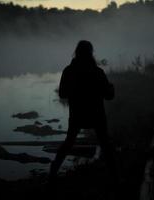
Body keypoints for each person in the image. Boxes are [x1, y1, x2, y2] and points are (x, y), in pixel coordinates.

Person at [49, 40, 117, 182]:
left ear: (76, 52)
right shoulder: (98, 72)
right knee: (105, 143)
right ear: (91, 53)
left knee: (68, 142)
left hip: (77, 115)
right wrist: (111, 88)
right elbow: (109, 96)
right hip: (96, 114)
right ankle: (114, 175)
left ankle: (53, 171)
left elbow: (62, 94)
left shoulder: (68, 71)